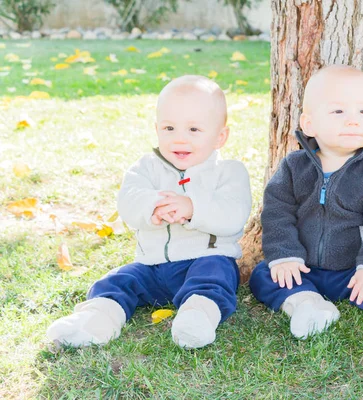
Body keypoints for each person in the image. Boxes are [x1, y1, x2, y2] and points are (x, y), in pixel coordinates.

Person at [47, 75, 252, 349]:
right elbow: (129, 201)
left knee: (214, 278)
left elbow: (233, 214)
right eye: (169, 128)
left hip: (204, 259)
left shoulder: (229, 172)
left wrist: (192, 208)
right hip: (152, 265)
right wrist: (151, 206)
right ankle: (95, 320)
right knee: (119, 280)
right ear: (157, 130)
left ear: (220, 137)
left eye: (193, 129)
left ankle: (197, 318)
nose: (180, 138)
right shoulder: (145, 168)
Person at [249, 65, 363, 353]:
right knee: (264, 274)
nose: (353, 121)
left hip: (353, 270)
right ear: (310, 123)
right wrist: (285, 256)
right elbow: (277, 213)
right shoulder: (294, 166)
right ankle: (307, 304)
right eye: (339, 112)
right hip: (302, 268)